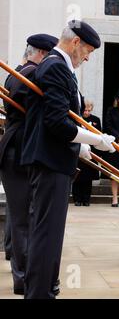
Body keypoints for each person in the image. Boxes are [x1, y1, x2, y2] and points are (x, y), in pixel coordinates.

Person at [21, 20, 116, 299]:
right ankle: (39, 294)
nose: (87, 58)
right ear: (75, 43)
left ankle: (45, 288)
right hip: (50, 161)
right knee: (46, 234)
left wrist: (82, 149)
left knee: (50, 233)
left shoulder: (59, 67)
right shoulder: (55, 67)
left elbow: (53, 119)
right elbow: (56, 123)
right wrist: (97, 140)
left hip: (57, 158)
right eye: (87, 51)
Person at [0, 33, 58, 295]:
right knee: (26, 220)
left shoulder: (17, 74)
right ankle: (24, 278)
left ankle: (23, 275)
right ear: (42, 54)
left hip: (17, 150)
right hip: (21, 151)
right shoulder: (29, 76)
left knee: (20, 218)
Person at [72, 100, 102, 206]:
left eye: (89, 110)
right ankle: (77, 198)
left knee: (88, 177)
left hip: (90, 151)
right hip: (78, 149)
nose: (86, 112)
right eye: (85, 110)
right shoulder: (77, 118)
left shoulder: (96, 120)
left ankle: (86, 199)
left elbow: (99, 135)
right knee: (78, 176)